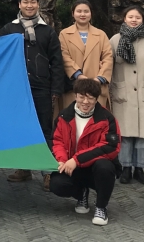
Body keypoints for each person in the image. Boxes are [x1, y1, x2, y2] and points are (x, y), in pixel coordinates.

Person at [0, 0, 65, 184]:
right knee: (20, 129)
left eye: (33, 2)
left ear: (38, 4)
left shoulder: (47, 31)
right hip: (16, 89)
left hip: (41, 87)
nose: (29, 5)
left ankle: (47, 173)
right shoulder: (9, 29)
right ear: (19, 4)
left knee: (44, 130)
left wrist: (56, 89)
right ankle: (23, 168)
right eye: (25, 2)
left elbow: (57, 62)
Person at [47, 77, 121, 227]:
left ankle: (101, 207)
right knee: (56, 184)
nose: (85, 102)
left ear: (96, 99)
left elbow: (110, 147)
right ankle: (82, 193)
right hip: (72, 167)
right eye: (81, 97)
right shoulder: (63, 117)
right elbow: (56, 141)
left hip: (94, 168)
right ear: (75, 96)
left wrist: (77, 160)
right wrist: (61, 160)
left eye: (90, 98)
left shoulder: (107, 118)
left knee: (105, 167)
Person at [109, 6, 144, 186]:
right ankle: (125, 168)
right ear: (124, 19)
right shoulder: (115, 40)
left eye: (138, 17)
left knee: (143, 136)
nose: (134, 20)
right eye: (130, 17)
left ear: (143, 20)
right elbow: (108, 65)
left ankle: (140, 169)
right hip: (123, 93)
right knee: (126, 135)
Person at [58, 0, 113, 111]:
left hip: (96, 87)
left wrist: (99, 79)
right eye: (79, 11)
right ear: (73, 13)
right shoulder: (64, 34)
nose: (82, 14)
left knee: (97, 119)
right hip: (74, 87)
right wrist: (78, 75)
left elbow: (108, 57)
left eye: (86, 11)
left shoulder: (101, 34)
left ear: (91, 13)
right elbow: (64, 56)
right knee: (73, 118)